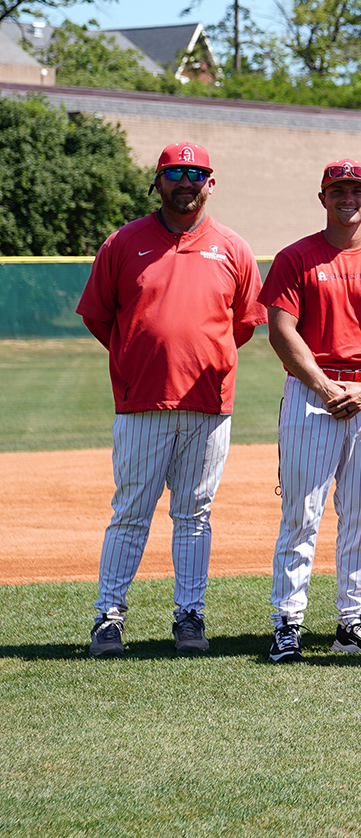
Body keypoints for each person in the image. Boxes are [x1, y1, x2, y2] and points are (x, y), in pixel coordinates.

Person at [77, 142, 266, 656]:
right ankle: (109, 618)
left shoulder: (232, 247)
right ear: (158, 181)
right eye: (175, 172)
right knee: (131, 512)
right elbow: (99, 317)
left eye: (196, 172)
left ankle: (189, 615)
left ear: (211, 181)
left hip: (208, 403)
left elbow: (244, 325)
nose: (186, 181)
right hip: (142, 404)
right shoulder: (123, 242)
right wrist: (140, 357)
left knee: (195, 514)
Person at [258, 160, 361, 662]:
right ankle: (288, 621)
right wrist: (323, 385)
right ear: (323, 197)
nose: (349, 198)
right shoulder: (296, 257)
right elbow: (281, 330)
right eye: (339, 190)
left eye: (358, 190)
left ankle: (351, 621)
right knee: (301, 515)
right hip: (312, 395)